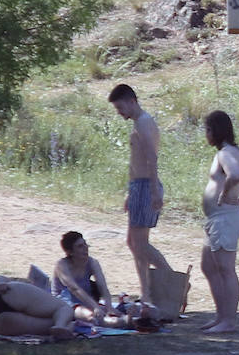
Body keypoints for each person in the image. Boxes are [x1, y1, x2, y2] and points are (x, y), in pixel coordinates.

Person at [108, 83, 173, 302]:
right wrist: (130, 191)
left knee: (140, 243)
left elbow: (151, 158)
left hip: (146, 185)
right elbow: (135, 161)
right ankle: (146, 293)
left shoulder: (145, 122)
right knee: (132, 242)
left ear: (131, 101)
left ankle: (173, 280)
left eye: (120, 107)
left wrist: (155, 190)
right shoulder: (138, 123)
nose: (119, 113)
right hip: (138, 186)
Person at [199, 110, 239, 334]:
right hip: (218, 219)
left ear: (215, 130)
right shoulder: (235, 151)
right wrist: (237, 188)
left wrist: (226, 194)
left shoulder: (225, 153)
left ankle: (229, 321)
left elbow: (235, 174)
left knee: (225, 269)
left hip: (225, 218)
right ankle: (220, 316)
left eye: (207, 130)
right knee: (208, 266)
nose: (205, 134)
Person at [52, 231, 116, 322]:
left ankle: (123, 321)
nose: (85, 248)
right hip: (64, 303)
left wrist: (109, 308)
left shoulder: (92, 262)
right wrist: (95, 307)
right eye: (80, 246)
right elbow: (74, 289)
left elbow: (102, 286)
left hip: (86, 300)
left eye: (85, 244)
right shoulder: (61, 265)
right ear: (70, 252)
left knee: (114, 313)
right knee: (91, 317)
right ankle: (121, 322)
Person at [0, 277, 77, 340]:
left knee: (63, 313)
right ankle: (61, 325)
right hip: (5, 308)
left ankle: (61, 325)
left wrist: (0, 281)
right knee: (64, 309)